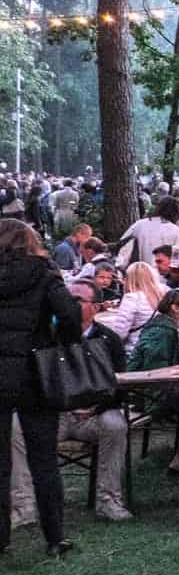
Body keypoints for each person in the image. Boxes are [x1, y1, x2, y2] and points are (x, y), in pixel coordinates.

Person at [12, 280, 132, 521]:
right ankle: (23, 507)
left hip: (94, 415)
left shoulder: (109, 340)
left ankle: (109, 501)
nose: (70, 304)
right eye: (68, 298)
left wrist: (96, 407)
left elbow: (121, 386)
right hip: (54, 414)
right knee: (16, 427)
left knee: (115, 424)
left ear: (96, 307)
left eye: (78, 300)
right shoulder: (45, 337)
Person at [1, 220, 83, 556]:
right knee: (44, 460)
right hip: (36, 374)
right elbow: (70, 317)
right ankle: (54, 536)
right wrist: (58, 343)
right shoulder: (46, 273)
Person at [129, 288, 179, 474]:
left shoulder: (173, 328)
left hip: (160, 389)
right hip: (148, 395)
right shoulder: (162, 331)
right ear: (175, 307)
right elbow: (155, 374)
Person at [97, 260, 168, 352]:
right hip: (163, 348)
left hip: (136, 350)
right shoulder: (165, 292)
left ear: (131, 278)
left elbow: (120, 333)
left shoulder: (132, 298)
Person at [115, 196, 179, 269]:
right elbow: (177, 257)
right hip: (163, 276)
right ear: (176, 212)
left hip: (139, 272)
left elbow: (122, 243)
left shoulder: (140, 224)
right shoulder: (176, 231)